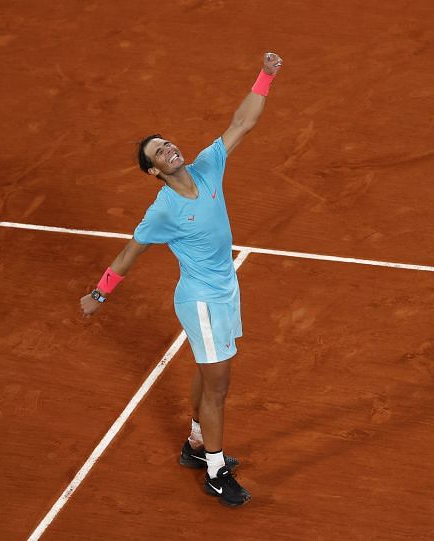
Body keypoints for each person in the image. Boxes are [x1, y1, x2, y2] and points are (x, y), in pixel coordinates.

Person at [80, 51, 283, 507]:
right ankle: (214, 470)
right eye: (159, 153)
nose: (169, 149)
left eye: (167, 142)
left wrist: (265, 76)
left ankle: (195, 444)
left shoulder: (208, 165)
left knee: (209, 375)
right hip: (201, 301)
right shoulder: (163, 211)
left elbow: (242, 122)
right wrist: (100, 293)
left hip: (225, 291)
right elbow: (131, 251)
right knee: (219, 386)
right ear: (154, 172)